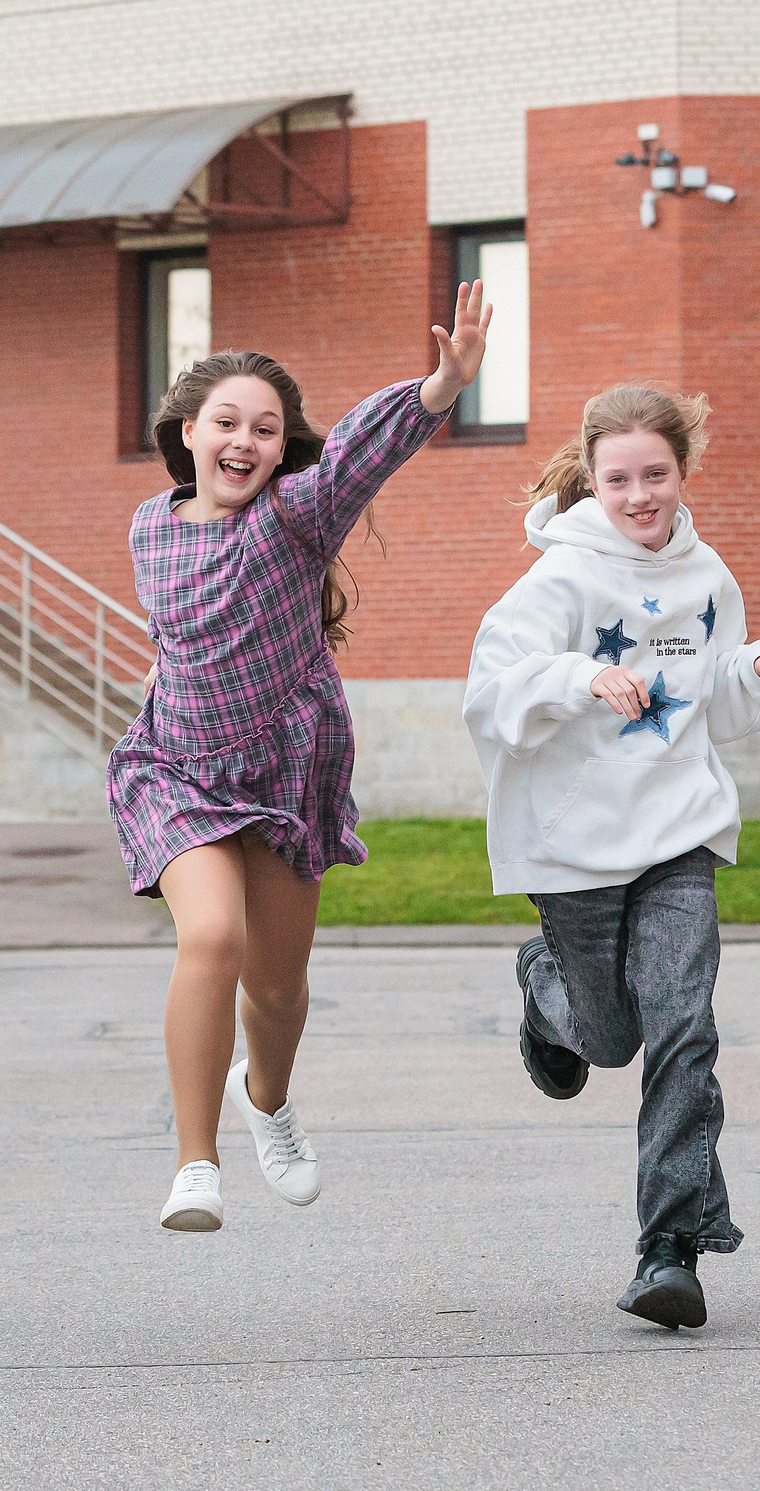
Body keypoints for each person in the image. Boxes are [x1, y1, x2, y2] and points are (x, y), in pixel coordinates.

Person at [113, 285, 493, 1232]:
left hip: (286, 767)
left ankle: (269, 1100)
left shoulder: (296, 517)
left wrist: (438, 388)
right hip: (178, 766)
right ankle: (193, 1163)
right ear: (189, 433)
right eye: (227, 422)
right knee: (210, 938)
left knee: (275, 987)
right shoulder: (147, 527)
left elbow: (363, 452)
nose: (245, 440)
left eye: (267, 428)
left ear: (284, 451)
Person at [463, 386, 760, 1329]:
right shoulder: (559, 579)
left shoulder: (706, 575)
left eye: (656, 475)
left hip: (678, 833)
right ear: (593, 478)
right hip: (574, 849)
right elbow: (490, 694)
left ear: (683, 470)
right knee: (610, 1041)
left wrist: (758, 669)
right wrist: (580, 676)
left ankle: (670, 1248)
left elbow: (714, 701)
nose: (640, 495)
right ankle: (546, 987)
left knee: (684, 1025)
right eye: (620, 478)